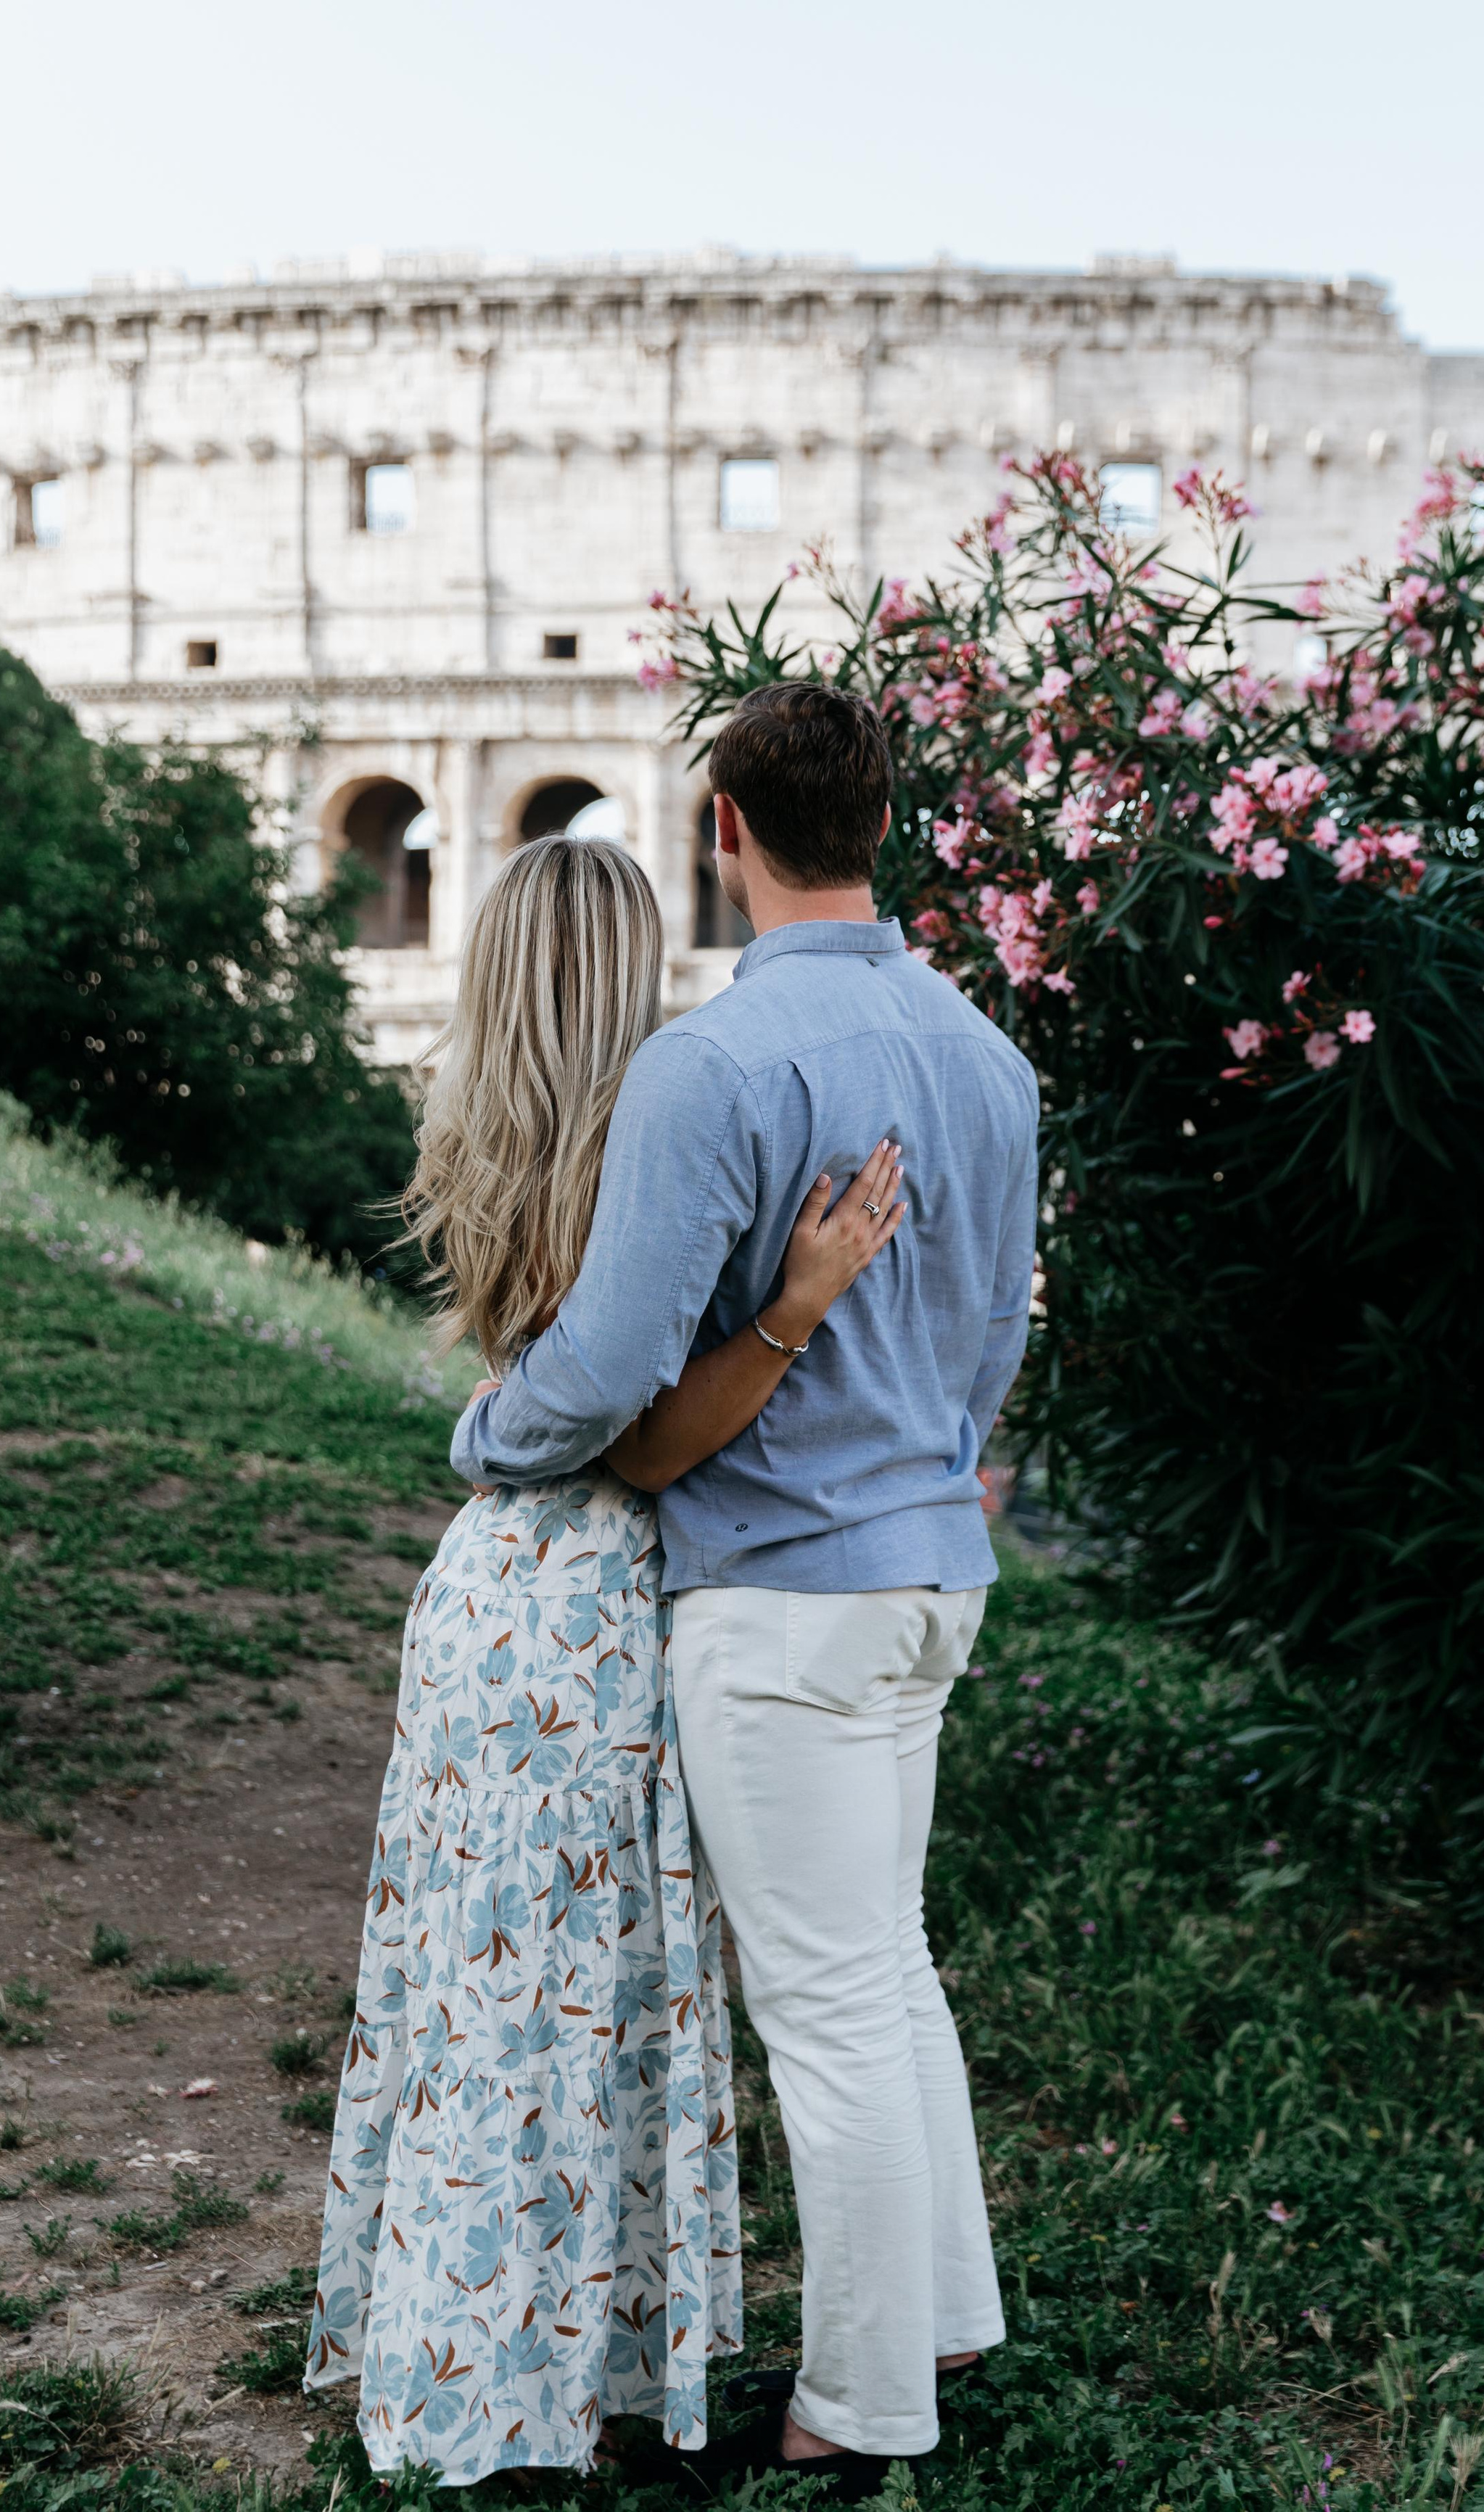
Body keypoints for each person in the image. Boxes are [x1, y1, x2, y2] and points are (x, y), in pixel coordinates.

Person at [454, 683, 1041, 2505]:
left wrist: (490, 1433)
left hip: (780, 1589)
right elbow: (1001, 1332)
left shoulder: (713, 1066)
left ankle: (855, 2411)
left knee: (829, 2005)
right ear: (882, 823)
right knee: (889, 1964)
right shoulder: (984, 1054)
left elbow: (613, 1359)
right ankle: (939, 2318)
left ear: (724, 825)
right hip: (930, 1567)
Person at [304, 831, 906, 2486]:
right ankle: (570, 2387)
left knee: (480, 1995)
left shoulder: (479, 1136)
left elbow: (539, 1384)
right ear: (634, 967)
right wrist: (796, 1301)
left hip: (489, 1598)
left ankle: (467, 2360)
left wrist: (484, 1429)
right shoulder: (679, 1128)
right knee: (607, 1998)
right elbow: (624, 1414)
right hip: (614, 1594)